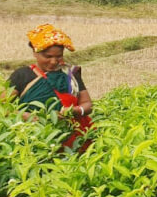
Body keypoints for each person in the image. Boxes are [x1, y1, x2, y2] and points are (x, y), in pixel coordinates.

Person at [7, 24, 94, 152]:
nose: (54, 61)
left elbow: (87, 104)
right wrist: (30, 117)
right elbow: (2, 108)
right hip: (36, 140)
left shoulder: (71, 74)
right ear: (35, 53)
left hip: (75, 139)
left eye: (59, 56)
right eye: (47, 57)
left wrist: (75, 111)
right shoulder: (22, 75)